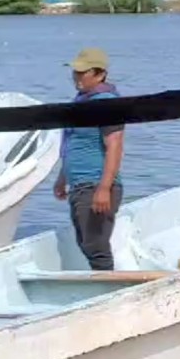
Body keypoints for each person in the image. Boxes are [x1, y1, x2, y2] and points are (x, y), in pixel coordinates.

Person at [53, 47, 124, 271]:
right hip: (79, 184)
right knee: (85, 243)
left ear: (100, 74)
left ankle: (111, 294)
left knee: (95, 245)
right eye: (75, 72)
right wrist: (62, 177)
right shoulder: (82, 102)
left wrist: (104, 188)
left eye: (82, 72)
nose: (76, 77)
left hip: (95, 183)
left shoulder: (106, 104)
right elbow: (74, 141)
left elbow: (115, 145)